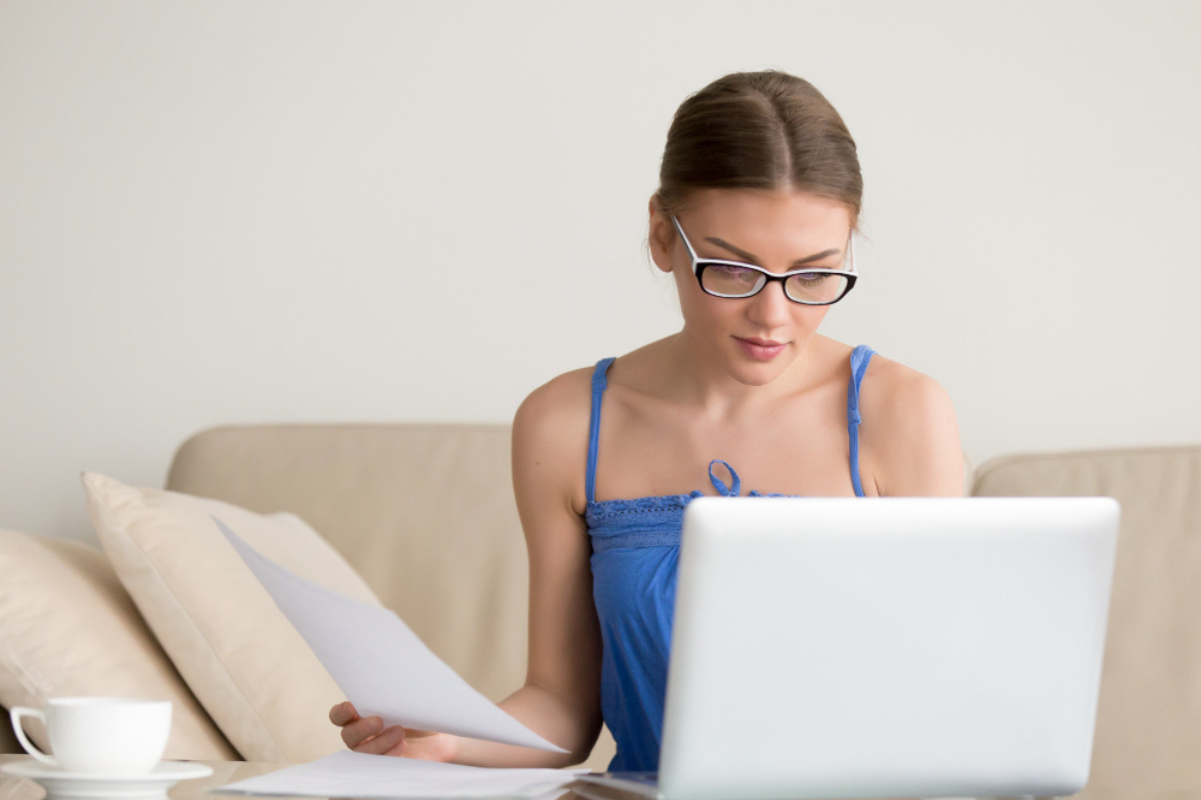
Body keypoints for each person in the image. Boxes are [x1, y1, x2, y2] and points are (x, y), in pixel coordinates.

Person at [329, 69, 964, 771]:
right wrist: (445, 740)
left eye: (814, 275)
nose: (773, 317)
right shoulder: (567, 423)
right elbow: (560, 706)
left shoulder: (900, 412)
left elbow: (945, 697)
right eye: (731, 269)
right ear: (663, 236)